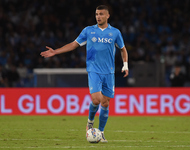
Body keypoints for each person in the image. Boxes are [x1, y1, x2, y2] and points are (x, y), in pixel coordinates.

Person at [40, 5, 129, 142]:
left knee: (105, 103)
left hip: (109, 72)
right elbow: (74, 44)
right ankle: (90, 122)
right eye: (96, 14)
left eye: (101, 14)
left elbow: (123, 49)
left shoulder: (115, 33)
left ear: (107, 16)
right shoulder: (88, 31)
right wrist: (56, 51)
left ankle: (101, 132)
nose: (98, 16)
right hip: (93, 70)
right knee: (96, 100)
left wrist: (125, 65)